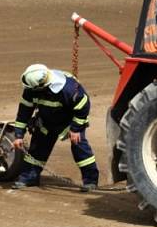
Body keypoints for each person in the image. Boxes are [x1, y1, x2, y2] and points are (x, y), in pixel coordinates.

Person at [11, 64, 99, 192]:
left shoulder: (68, 89)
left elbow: (83, 106)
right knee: (37, 148)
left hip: (69, 121)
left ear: (41, 87)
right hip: (46, 120)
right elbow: (24, 112)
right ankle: (29, 177)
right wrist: (18, 135)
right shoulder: (30, 89)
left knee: (80, 149)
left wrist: (75, 129)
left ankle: (90, 181)